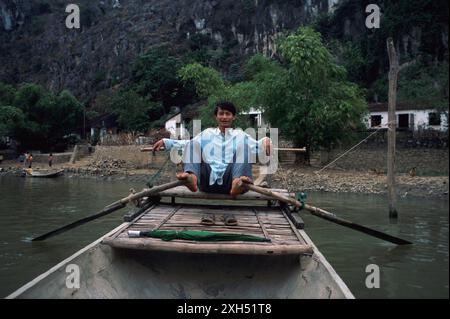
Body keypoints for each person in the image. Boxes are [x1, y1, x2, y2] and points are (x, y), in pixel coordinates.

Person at [153, 102, 271, 225]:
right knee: (192, 144)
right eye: (221, 114)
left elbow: (258, 145)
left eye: (228, 114)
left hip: (231, 184)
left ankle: (237, 183)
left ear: (233, 117)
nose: (224, 117)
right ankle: (191, 178)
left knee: (245, 146)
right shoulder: (207, 133)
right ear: (216, 116)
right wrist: (166, 142)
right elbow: (185, 143)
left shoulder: (241, 135)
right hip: (207, 182)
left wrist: (266, 140)